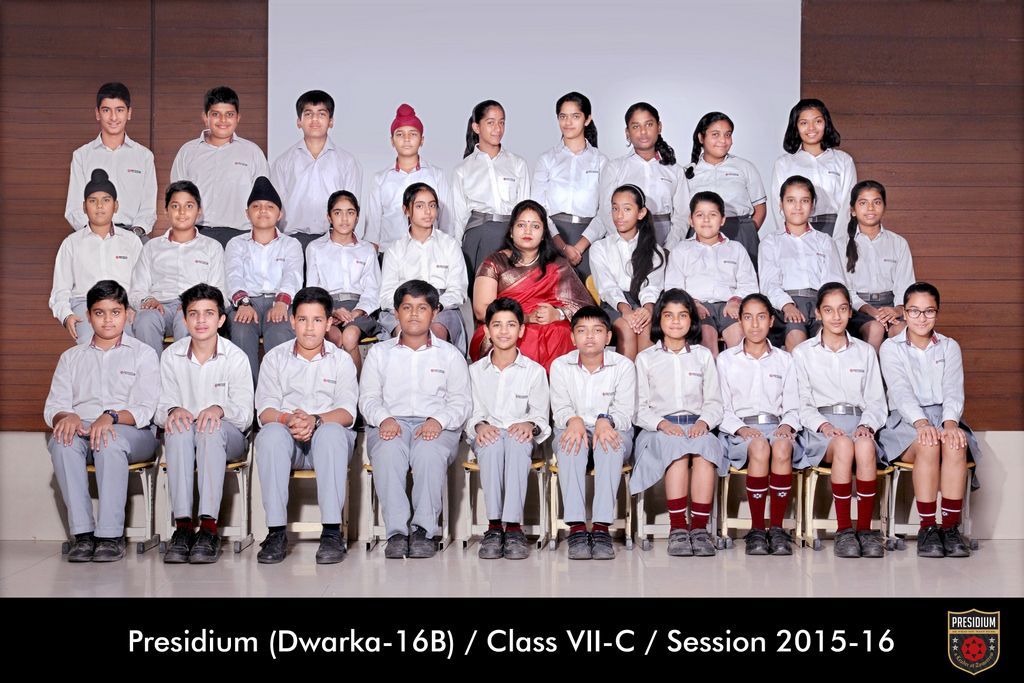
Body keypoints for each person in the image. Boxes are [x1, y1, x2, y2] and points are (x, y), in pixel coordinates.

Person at [44, 280, 160, 562]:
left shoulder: (143, 354)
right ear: (88, 315)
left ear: (127, 314)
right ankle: (83, 535)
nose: (108, 320)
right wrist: (67, 415)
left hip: (131, 431)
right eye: (99, 313)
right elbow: (54, 407)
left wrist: (111, 416)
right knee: (61, 441)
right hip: (83, 428)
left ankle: (110, 535)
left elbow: (146, 408)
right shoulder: (71, 358)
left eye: (115, 312)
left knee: (109, 439)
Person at [359, 280, 472, 559]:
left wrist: (437, 420)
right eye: (407, 307)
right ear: (396, 312)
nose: (413, 314)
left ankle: (423, 531)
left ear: (435, 313)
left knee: (428, 452)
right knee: (388, 453)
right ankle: (397, 533)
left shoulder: (450, 354)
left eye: (422, 308)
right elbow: (368, 398)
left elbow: (461, 401)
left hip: (435, 424)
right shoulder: (379, 353)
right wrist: (384, 419)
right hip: (390, 422)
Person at [254, 287, 359, 565]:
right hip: (288, 440)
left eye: (317, 320)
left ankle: (332, 533)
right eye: (302, 319)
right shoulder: (275, 358)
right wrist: (288, 420)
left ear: (329, 323)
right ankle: (276, 532)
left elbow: (347, 412)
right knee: (270, 434)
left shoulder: (341, 360)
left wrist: (316, 420)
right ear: (292, 321)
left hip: (326, 442)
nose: (309, 328)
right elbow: (265, 410)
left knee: (332, 432)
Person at [879, 282, 979, 558]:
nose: (921, 318)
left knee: (954, 444)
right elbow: (900, 391)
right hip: (906, 421)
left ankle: (949, 528)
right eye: (914, 311)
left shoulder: (949, 346)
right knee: (928, 443)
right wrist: (921, 423)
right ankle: (927, 528)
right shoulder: (890, 348)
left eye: (929, 311)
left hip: (945, 417)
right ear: (904, 313)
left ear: (937, 312)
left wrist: (950, 424)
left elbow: (953, 390)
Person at [156, 284, 253, 564]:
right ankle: (183, 527)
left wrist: (219, 409)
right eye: (194, 314)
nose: (201, 320)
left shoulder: (236, 357)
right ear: (184, 319)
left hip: (227, 436)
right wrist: (173, 410)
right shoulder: (171, 356)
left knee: (209, 428)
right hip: (186, 435)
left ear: (221, 320)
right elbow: (159, 409)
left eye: (209, 313)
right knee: (177, 428)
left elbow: (245, 414)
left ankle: (209, 529)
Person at [792, 282, 888, 559]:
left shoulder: (865, 351)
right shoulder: (803, 353)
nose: (836, 316)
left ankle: (865, 531)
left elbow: (876, 400)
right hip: (821, 429)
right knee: (844, 445)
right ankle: (845, 530)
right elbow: (801, 402)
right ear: (818, 313)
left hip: (858, 423)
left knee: (865, 446)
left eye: (842, 309)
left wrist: (866, 425)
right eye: (829, 310)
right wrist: (823, 425)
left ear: (850, 312)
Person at [629, 289, 726, 557]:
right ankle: (678, 528)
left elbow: (714, 402)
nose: (675, 321)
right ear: (659, 319)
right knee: (678, 451)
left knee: (706, 450)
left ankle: (699, 529)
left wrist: (704, 422)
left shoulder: (702, 356)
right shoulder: (646, 358)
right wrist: (662, 424)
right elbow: (639, 409)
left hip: (696, 426)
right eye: (669, 315)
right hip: (658, 429)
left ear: (691, 320)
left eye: (682, 315)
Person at [716, 293, 801, 555]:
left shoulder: (785, 360)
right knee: (760, 446)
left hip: (776, 427)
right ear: (740, 322)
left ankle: (776, 529)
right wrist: (742, 429)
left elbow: (794, 405)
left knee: (782, 447)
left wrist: (786, 426)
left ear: (771, 321)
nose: (755, 324)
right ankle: (756, 529)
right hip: (740, 432)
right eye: (748, 317)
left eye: (761, 317)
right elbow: (721, 408)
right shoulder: (726, 360)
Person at [549, 306, 636, 560]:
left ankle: (600, 528)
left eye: (597, 330)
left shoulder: (623, 366)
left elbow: (625, 413)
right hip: (572, 428)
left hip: (613, 429)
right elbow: (560, 408)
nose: (589, 336)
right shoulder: (560, 366)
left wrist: (605, 420)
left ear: (608, 337)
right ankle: (576, 528)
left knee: (608, 444)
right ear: (572, 337)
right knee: (571, 444)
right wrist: (573, 420)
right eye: (582, 331)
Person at [466, 298, 551, 560]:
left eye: (511, 325)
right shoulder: (474, 371)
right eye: (497, 325)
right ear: (487, 330)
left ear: (521, 330)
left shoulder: (534, 371)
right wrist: (480, 425)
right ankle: (494, 527)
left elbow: (540, 415)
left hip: (520, 435)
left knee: (516, 442)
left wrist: (529, 425)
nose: (504, 331)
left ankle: (513, 528)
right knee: (492, 443)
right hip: (486, 433)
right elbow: (471, 411)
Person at [469, 199, 593, 370]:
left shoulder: (558, 265)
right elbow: (481, 310)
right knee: (527, 336)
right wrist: (526, 318)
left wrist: (558, 314)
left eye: (535, 226)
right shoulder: (494, 262)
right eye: (521, 225)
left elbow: (584, 307)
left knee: (563, 331)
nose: (528, 231)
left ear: (543, 234)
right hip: (505, 326)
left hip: (550, 326)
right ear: (511, 231)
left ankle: (557, 386)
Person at [129, 181, 225, 356]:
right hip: (160, 307)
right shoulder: (151, 247)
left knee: (188, 320)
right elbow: (137, 289)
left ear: (199, 210)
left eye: (189, 206)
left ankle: (184, 372)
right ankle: (152, 372)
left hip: (194, 306)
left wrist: (196, 303)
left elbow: (219, 291)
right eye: (175, 206)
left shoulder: (212, 247)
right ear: (166, 210)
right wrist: (147, 300)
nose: (182, 212)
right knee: (144, 319)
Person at [170, 85, 270, 248]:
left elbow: (263, 198)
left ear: (238, 117)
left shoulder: (252, 152)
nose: (223, 120)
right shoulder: (188, 152)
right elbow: (177, 196)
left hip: (242, 236)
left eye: (229, 114)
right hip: (198, 235)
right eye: (216, 114)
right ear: (205, 117)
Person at [224, 176, 303, 383]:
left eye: (269, 206)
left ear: (280, 214)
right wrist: (243, 303)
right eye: (256, 206)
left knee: (280, 335)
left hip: (280, 303)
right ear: (247, 213)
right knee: (241, 331)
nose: (262, 211)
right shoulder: (236, 243)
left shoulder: (291, 244)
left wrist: (281, 303)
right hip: (246, 304)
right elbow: (233, 275)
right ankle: (247, 396)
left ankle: (278, 394)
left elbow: (293, 275)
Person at [51, 169, 142, 344]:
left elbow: (141, 284)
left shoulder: (132, 241)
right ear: (84, 207)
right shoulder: (71, 243)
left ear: (116, 206)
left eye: (106, 200)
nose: (99, 206)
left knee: (129, 345)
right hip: (85, 305)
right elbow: (60, 291)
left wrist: (133, 307)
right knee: (91, 347)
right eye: (93, 201)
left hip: (122, 306)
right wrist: (67, 316)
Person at [584, 102, 690, 249]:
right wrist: (626, 244)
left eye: (649, 124)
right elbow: (606, 212)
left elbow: (682, 216)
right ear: (627, 132)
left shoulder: (675, 170)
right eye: (636, 126)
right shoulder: (615, 168)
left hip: (664, 238)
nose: (643, 132)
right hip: (624, 241)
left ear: (659, 127)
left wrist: (669, 249)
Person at [758, 175, 846, 351]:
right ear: (781, 204)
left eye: (804, 201)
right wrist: (787, 305)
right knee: (796, 337)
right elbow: (769, 284)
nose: (798, 207)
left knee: (828, 341)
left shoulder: (825, 241)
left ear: (812, 205)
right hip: (785, 304)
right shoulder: (770, 242)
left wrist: (825, 307)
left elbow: (834, 281)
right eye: (791, 200)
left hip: (820, 303)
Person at [665, 191, 757, 356]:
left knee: (739, 338)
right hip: (698, 307)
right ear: (691, 220)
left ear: (722, 220)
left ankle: (736, 372)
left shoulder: (736, 249)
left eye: (712, 215)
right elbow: (673, 288)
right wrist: (692, 304)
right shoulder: (681, 250)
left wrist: (735, 301)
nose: (706, 220)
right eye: (700, 215)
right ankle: (710, 372)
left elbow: (749, 284)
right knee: (706, 339)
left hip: (729, 306)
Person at [379, 183, 467, 352]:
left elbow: (458, 290)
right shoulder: (395, 250)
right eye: (420, 206)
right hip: (403, 307)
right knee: (405, 335)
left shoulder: (450, 245)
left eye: (432, 205)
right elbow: (387, 294)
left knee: (435, 334)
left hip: (441, 308)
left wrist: (434, 307)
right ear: (406, 210)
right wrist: (408, 308)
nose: (428, 212)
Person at [270, 89, 363, 251]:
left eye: (321, 114)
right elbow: (274, 207)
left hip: (334, 241)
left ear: (331, 121)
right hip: (292, 241)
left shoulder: (347, 162)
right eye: (308, 114)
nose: (314, 119)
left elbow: (351, 206)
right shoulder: (283, 162)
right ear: (299, 121)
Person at [531, 92, 608, 279]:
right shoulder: (546, 159)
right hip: (552, 237)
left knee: (589, 294)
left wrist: (579, 247)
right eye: (563, 116)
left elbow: (606, 210)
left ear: (587, 119)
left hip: (589, 240)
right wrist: (562, 247)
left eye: (575, 116)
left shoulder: (601, 161)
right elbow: (537, 209)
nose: (568, 122)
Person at [64, 82, 156, 237]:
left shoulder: (144, 156)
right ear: (97, 113)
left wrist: (134, 234)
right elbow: (74, 209)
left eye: (119, 110)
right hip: (90, 234)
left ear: (129, 113)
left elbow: (148, 209)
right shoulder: (81, 156)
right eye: (106, 110)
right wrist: (95, 234)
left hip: (133, 235)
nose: (113, 117)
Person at [834, 180, 916, 352]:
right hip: (857, 309)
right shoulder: (839, 245)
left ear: (884, 207)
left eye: (876, 202)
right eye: (863, 203)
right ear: (853, 210)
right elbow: (844, 291)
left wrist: (897, 310)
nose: (870, 208)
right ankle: (871, 370)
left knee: (901, 331)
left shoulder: (898, 243)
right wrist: (871, 311)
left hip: (891, 307)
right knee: (876, 328)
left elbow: (905, 287)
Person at [452, 100, 531, 275]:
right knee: (479, 287)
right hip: (478, 236)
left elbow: (525, 210)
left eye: (501, 122)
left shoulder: (517, 164)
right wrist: (455, 253)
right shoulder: (463, 169)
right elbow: (459, 217)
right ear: (476, 127)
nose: (498, 128)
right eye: (490, 122)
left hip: (510, 237)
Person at [305, 190, 381, 372]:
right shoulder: (316, 248)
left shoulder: (367, 249)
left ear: (357, 217)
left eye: (350, 212)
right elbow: (313, 289)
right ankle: (334, 385)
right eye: (338, 212)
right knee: (333, 337)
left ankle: (359, 388)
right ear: (329, 217)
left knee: (349, 336)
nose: (344, 219)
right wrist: (331, 311)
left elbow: (373, 289)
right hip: (327, 307)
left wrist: (356, 312)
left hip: (360, 309)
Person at [589, 184, 666, 360]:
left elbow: (652, 287)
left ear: (641, 213)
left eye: (627, 209)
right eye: (615, 208)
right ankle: (625, 377)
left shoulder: (655, 251)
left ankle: (646, 377)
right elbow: (607, 287)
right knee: (627, 328)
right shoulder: (600, 247)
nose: (619, 215)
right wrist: (626, 310)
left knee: (646, 327)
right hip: (613, 304)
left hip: (645, 302)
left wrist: (647, 309)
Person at [362, 103, 453, 250]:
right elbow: (372, 229)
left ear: (422, 140)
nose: (406, 139)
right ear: (392, 140)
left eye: (413, 134)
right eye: (400, 134)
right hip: (389, 254)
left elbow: (447, 223)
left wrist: (447, 251)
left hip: (430, 252)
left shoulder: (436, 175)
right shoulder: (380, 179)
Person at [682, 111, 766, 267]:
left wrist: (748, 232)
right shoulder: (688, 172)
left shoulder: (745, 167)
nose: (723, 140)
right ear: (701, 138)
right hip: (702, 233)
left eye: (728, 135)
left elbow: (760, 207)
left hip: (740, 232)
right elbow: (682, 211)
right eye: (715, 134)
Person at [769, 98, 856, 237]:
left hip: (833, 228)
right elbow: (777, 205)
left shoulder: (844, 160)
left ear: (826, 123)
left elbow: (848, 203)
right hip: (797, 229)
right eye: (804, 123)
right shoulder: (784, 163)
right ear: (795, 127)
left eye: (818, 121)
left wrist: (839, 239)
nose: (811, 128)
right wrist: (788, 237)